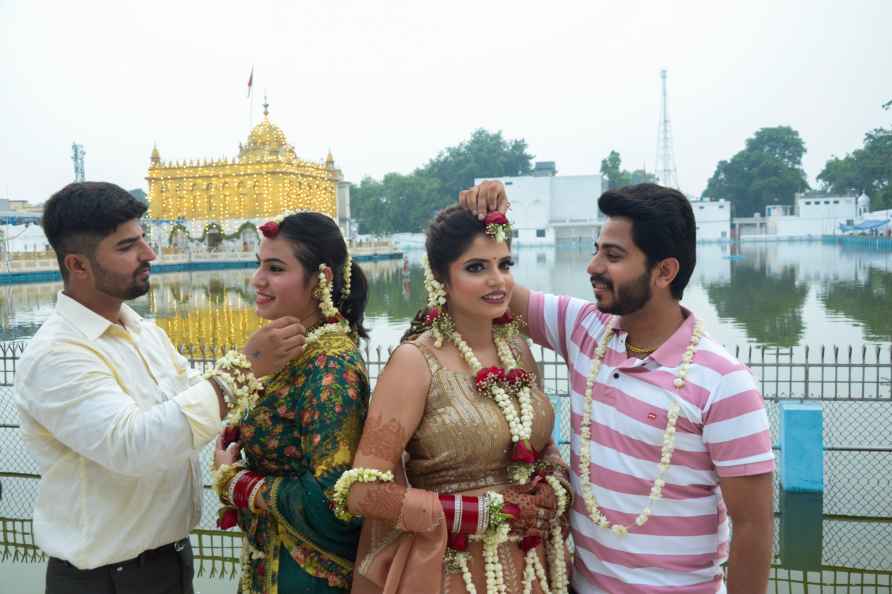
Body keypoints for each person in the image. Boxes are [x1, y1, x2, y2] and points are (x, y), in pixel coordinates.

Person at [460, 182, 776, 594]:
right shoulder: (586, 329)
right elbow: (497, 293)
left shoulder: (722, 382)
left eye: (613, 255)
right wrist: (484, 217)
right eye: (597, 250)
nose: (592, 266)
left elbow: (753, 526)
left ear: (665, 272)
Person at [14, 182, 304, 594]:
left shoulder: (143, 333)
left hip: (167, 562)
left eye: (143, 239)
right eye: (127, 246)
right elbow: (135, 445)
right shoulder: (57, 355)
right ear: (78, 265)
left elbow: (193, 405)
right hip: (104, 579)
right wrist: (245, 370)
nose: (149, 253)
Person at [335, 206, 572, 594]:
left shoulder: (517, 348)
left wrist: (555, 483)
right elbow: (363, 492)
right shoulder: (416, 362)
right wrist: (478, 514)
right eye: (477, 267)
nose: (498, 280)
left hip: (534, 564)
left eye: (504, 264)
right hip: (453, 569)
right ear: (441, 279)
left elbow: (541, 445)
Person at [211, 212, 372, 593]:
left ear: (321, 280)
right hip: (272, 561)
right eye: (258, 266)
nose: (257, 280)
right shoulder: (292, 351)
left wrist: (236, 484)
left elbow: (334, 496)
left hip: (307, 573)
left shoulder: (330, 365)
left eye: (276, 268)